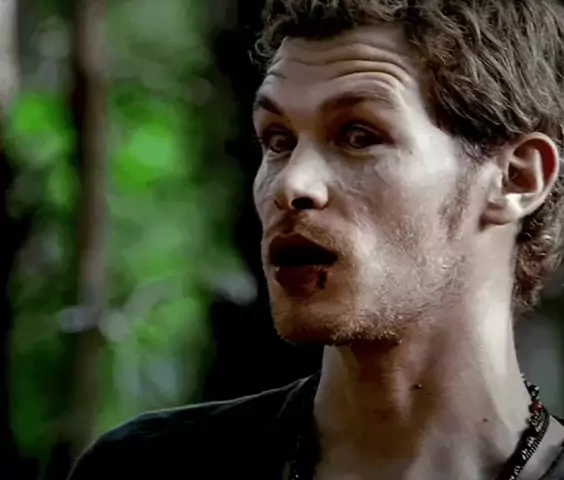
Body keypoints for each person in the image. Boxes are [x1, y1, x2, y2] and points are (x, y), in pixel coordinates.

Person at [68, 1, 564, 479]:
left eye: (358, 136)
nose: (290, 184)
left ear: (517, 180)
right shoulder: (145, 467)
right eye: (278, 140)